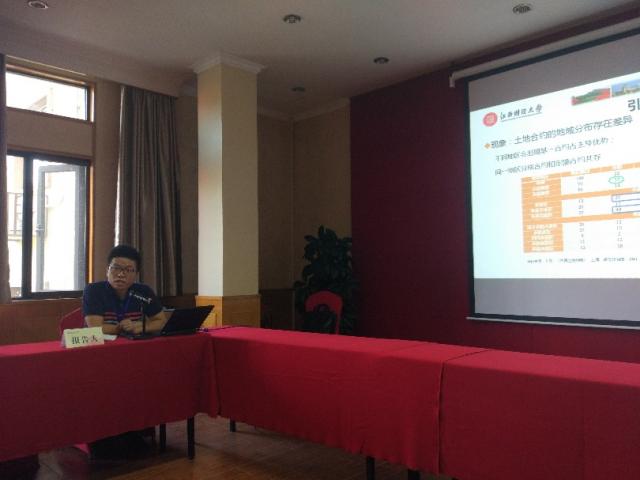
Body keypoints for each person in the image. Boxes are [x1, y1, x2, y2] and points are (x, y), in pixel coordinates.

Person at [83, 244, 166, 335]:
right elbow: (95, 329)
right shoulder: (94, 291)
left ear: (136, 274)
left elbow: (161, 321)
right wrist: (122, 328)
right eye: (116, 268)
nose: (121, 274)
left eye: (128, 270)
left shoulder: (143, 292)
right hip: (103, 343)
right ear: (107, 270)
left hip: (132, 342)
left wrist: (139, 328)